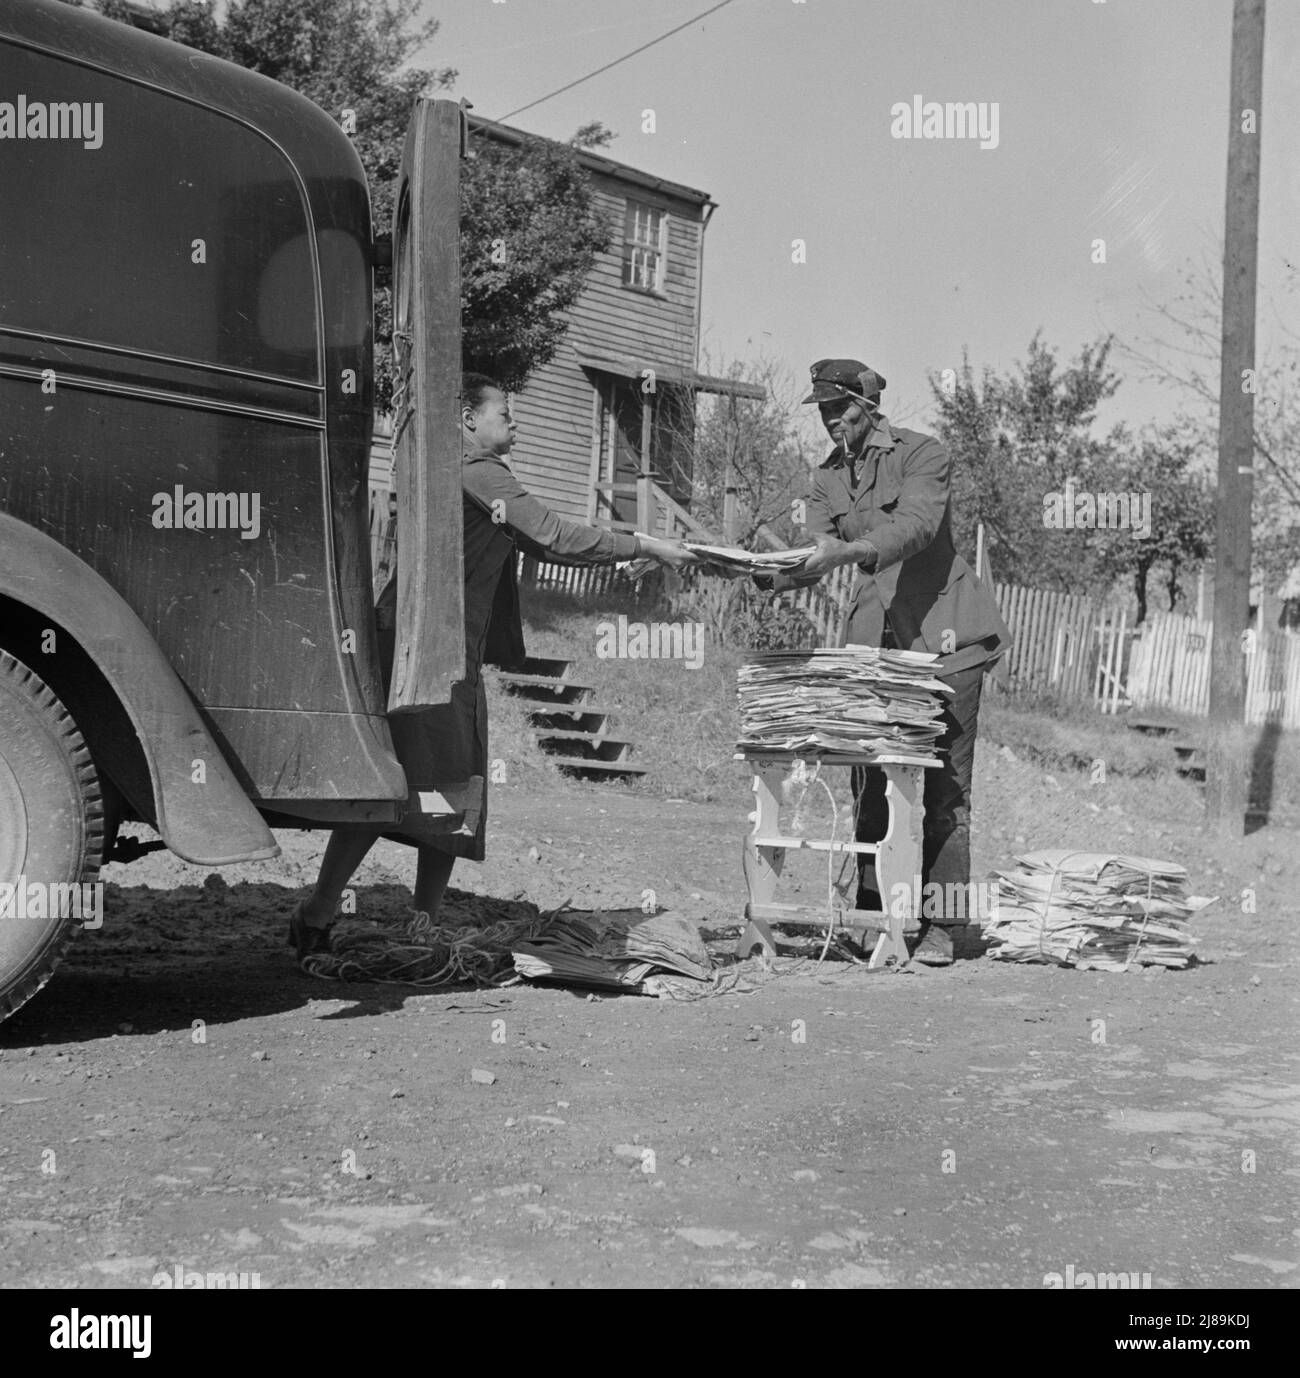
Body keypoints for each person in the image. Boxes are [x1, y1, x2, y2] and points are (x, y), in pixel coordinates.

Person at [288, 373, 693, 958]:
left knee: (423, 785)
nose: (515, 421)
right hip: (435, 651)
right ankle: (351, 917)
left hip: (425, 644)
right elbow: (553, 534)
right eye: (504, 412)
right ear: (467, 419)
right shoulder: (478, 470)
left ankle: (355, 917)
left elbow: (539, 543)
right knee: (437, 787)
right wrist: (646, 544)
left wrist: (627, 552)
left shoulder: (445, 468)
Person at [762, 358, 1011, 965]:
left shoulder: (925, 454)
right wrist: (764, 571)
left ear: (868, 406)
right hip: (875, 651)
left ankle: (944, 926)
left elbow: (918, 527)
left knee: (946, 791)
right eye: (822, 411)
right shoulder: (826, 478)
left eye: (839, 408)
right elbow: (814, 553)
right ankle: (876, 918)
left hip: (947, 641)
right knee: (871, 782)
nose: (831, 421)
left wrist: (848, 550)